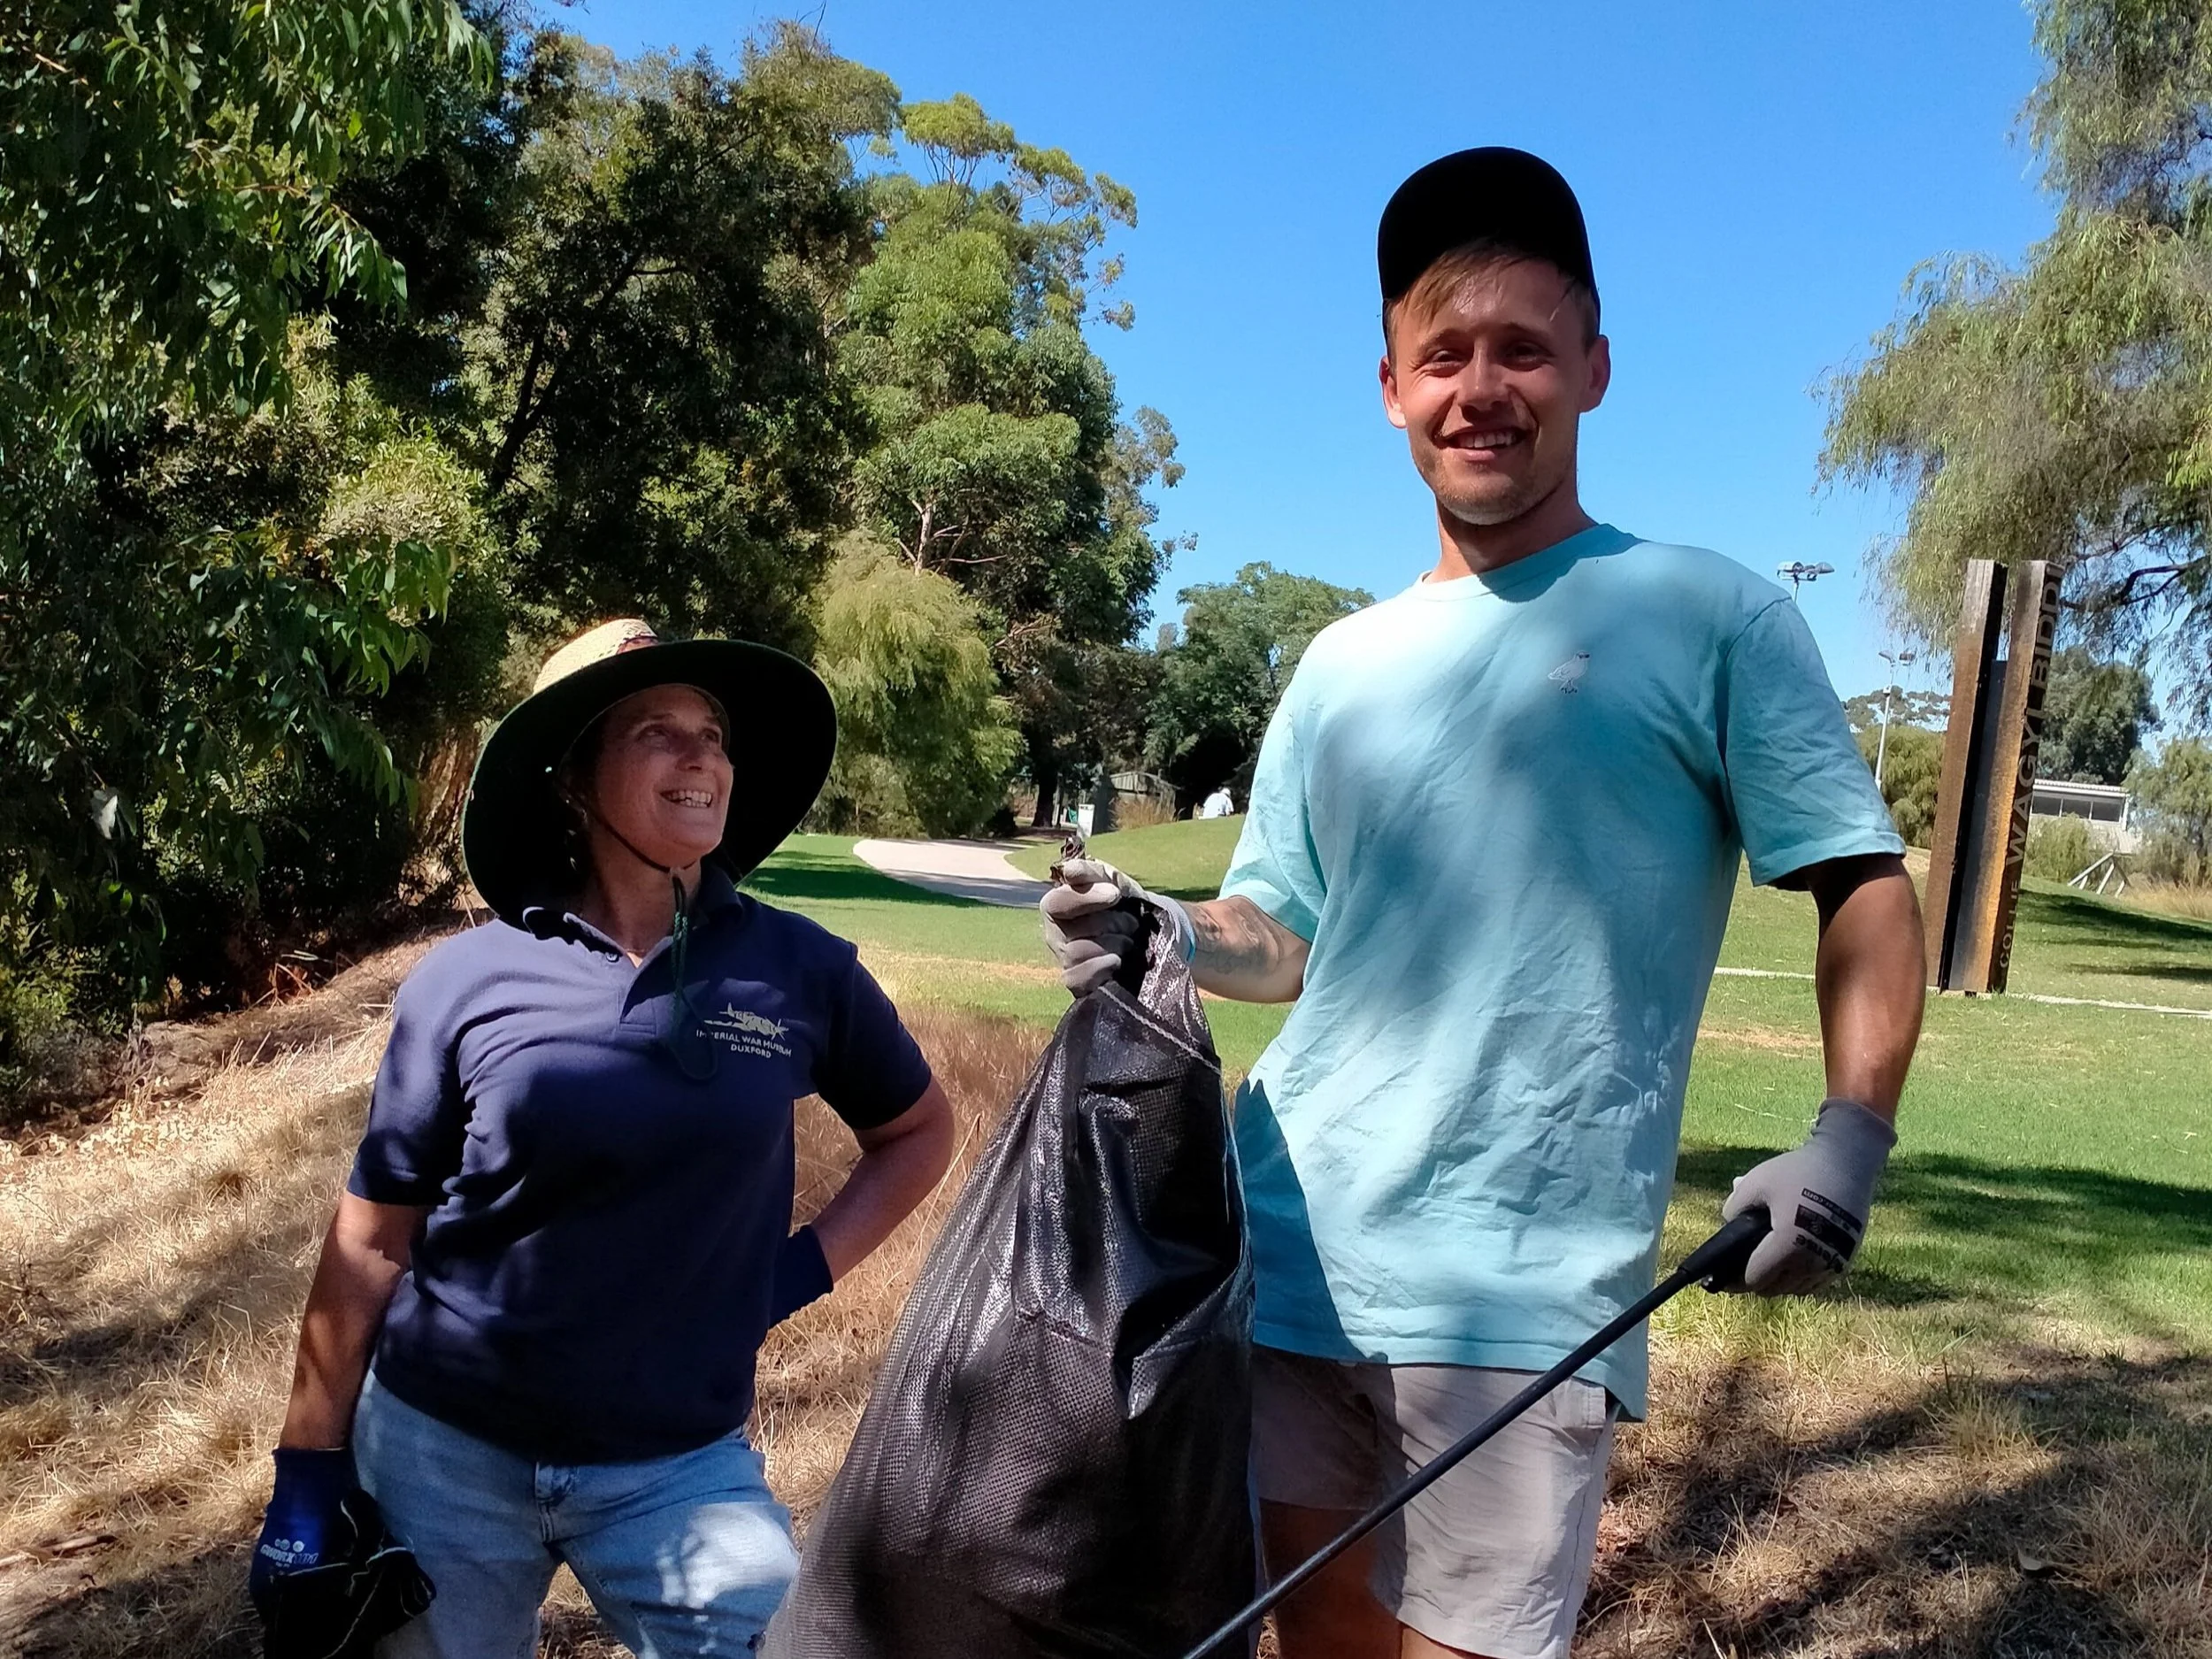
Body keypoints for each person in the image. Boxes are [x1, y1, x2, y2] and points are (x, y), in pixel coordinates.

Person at [1041, 149, 1924, 1659]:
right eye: (1443, 354)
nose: (1482, 386)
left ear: (1591, 367)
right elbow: (1284, 931)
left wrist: (1851, 1131)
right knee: (1311, 1642)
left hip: (1527, 1297)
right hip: (1286, 1255)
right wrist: (1166, 931)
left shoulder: (1708, 615)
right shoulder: (1339, 664)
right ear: (1389, 386)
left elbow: (1861, 882)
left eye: (1522, 346)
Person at [253, 619, 955, 1658]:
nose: (702, 756)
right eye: (655, 732)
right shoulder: (467, 980)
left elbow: (920, 1130)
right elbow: (372, 1236)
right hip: (445, 1449)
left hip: (676, 1461)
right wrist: (308, 1470)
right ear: (574, 782)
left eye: (713, 733)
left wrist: (795, 1273)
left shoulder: (800, 970)